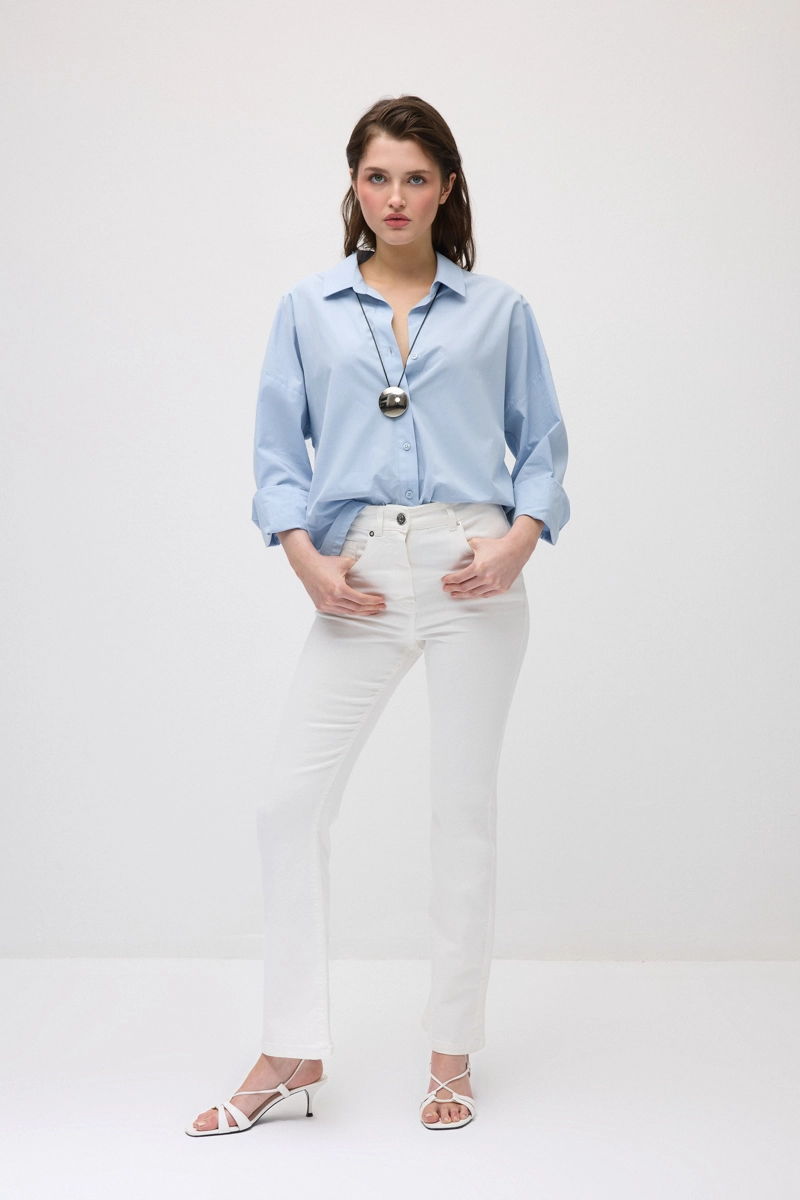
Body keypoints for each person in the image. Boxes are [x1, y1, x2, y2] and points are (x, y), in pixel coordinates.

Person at [186, 94, 569, 1137]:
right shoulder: (307, 308)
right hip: (353, 571)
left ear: (446, 189)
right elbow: (277, 454)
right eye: (376, 176)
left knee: (461, 814)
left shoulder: (499, 311)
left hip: (471, 568)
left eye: (415, 177)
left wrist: (517, 541)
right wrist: (305, 563)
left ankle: (451, 1053)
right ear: (353, 187)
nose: (394, 196)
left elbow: (541, 444)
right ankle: (292, 1049)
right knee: (288, 805)